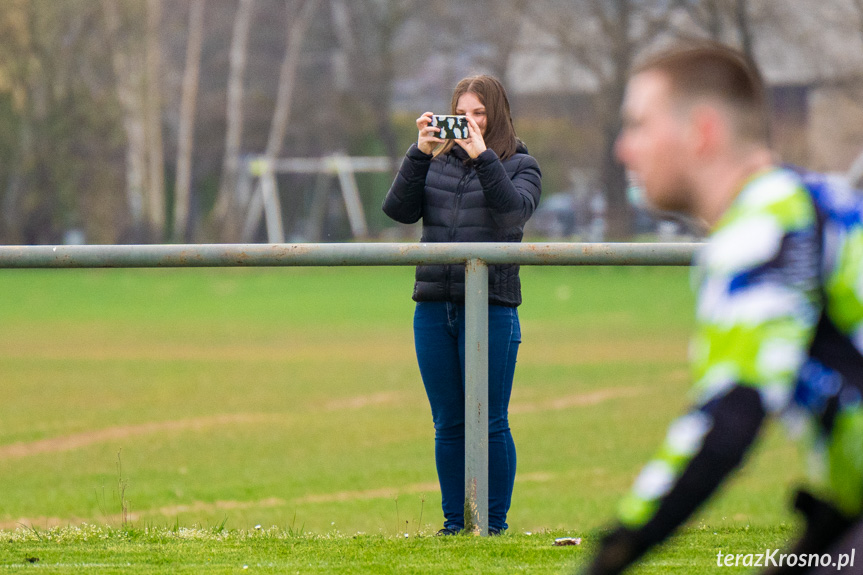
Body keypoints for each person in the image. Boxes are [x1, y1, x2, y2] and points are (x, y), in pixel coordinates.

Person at [582, 41, 863, 574]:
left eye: (639, 124)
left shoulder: (763, 228)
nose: (623, 148)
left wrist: (612, 553)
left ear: (703, 131)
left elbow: (729, 419)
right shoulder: (810, 202)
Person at [382, 75, 542, 535]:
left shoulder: (521, 164)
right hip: (434, 305)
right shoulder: (435, 161)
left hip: (491, 305)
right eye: (461, 113)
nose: (469, 123)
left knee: (490, 420)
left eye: (479, 114)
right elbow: (397, 211)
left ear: (497, 118)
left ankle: (492, 525)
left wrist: (483, 157)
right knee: (448, 422)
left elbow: (512, 214)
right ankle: (455, 525)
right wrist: (418, 153)